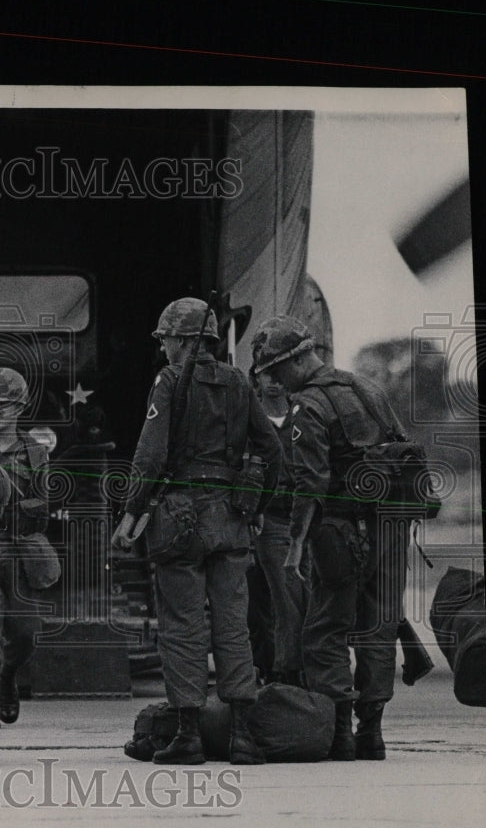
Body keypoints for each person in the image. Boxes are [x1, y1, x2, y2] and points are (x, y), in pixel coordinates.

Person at [112, 298, 282, 765]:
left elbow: (149, 457)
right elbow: (272, 450)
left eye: (167, 338)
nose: (164, 347)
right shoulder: (238, 382)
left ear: (185, 340)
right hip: (230, 520)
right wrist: (256, 505)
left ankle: (187, 736)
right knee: (233, 626)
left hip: (179, 521)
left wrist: (130, 515)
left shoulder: (167, 383)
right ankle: (242, 737)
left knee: (182, 626)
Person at [253, 314, 412, 761]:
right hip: (392, 527)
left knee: (325, 628)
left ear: (295, 361)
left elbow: (310, 484)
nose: (277, 383)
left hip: (341, 531)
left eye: (276, 371)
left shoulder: (310, 405)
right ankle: (373, 734)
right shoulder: (370, 390)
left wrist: (296, 548)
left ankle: (340, 732)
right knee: (379, 625)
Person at [0, 368, 49, 729]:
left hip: (19, 548)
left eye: (2, 406)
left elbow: (44, 505)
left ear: (19, 408)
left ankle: (6, 676)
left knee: (26, 631)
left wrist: (21, 509)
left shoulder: (34, 452)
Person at [248, 365, 309, 687]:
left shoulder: (304, 414)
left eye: (277, 374)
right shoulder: (248, 415)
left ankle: (292, 670)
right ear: (255, 377)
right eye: (264, 374)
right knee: (282, 598)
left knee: (301, 596)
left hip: (304, 517)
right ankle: (285, 673)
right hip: (266, 517)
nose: (272, 382)